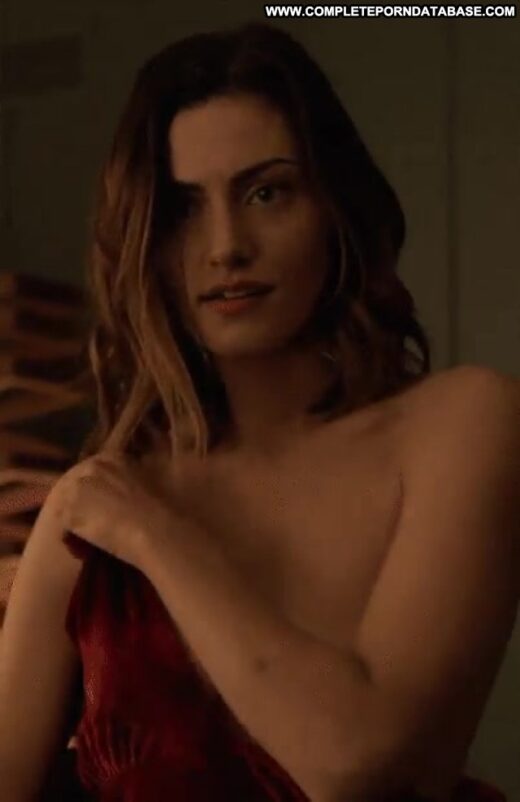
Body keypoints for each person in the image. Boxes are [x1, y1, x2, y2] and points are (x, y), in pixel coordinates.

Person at [0, 20, 518, 802]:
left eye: (266, 192)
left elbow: (357, 769)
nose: (226, 246)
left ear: (335, 206)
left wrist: (157, 538)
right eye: (184, 208)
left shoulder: (465, 425)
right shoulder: (94, 508)